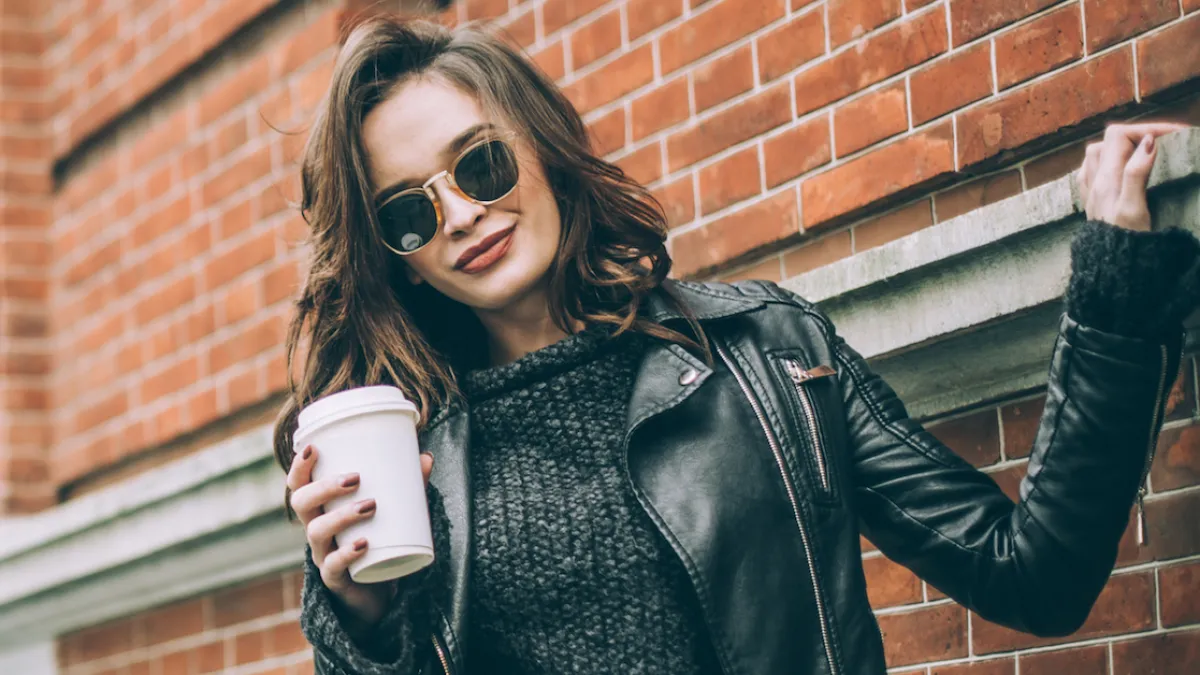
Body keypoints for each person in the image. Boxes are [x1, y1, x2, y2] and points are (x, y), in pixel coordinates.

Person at [274, 15, 1200, 675]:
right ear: (397, 262)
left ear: (545, 148)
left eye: (481, 162)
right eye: (407, 212)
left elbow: (1031, 573)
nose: (463, 214)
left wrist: (1114, 294)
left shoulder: (765, 355)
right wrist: (359, 618)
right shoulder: (407, 459)